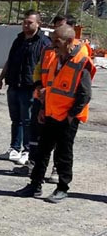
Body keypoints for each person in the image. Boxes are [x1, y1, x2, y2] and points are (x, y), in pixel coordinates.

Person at [15, 25, 95, 203]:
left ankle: (62, 188)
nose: (52, 45)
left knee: (63, 154)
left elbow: (85, 94)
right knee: (42, 151)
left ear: (68, 42)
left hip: (67, 118)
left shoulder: (82, 62)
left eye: (56, 41)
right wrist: (43, 108)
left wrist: (71, 115)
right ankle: (35, 185)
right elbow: (50, 88)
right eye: (52, 41)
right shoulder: (56, 59)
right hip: (51, 112)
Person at [0, 11, 50, 165]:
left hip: (30, 87)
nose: (26, 25)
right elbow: (10, 60)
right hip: (14, 85)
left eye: (30, 22)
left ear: (38, 24)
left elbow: (45, 67)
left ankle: (27, 150)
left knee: (28, 121)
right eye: (24, 22)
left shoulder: (44, 43)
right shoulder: (18, 40)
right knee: (16, 119)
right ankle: (14, 148)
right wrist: (1, 77)